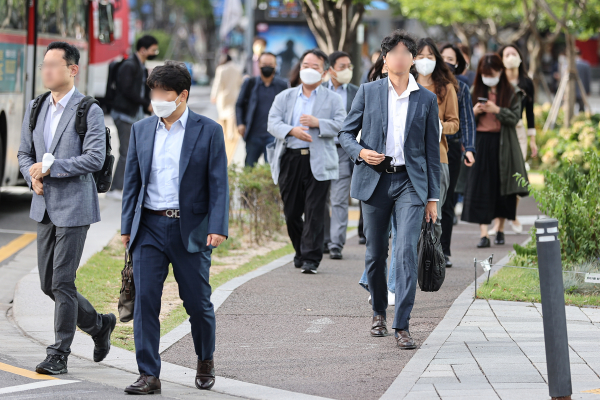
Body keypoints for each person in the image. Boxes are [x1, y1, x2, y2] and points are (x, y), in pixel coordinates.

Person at [120, 61, 229, 394]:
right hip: (149, 227)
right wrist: (127, 227)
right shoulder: (141, 129)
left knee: (197, 303)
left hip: (190, 228)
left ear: (182, 95)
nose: (156, 98)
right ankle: (148, 373)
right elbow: (132, 183)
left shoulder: (208, 130)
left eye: (163, 92)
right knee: (146, 302)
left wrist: (218, 225)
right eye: (153, 91)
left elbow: (219, 182)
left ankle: (205, 359)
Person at [17, 41, 115, 374]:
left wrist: (50, 168)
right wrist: (33, 178)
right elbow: (23, 155)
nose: (46, 70)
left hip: (75, 206)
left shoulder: (89, 109)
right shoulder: (35, 106)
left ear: (72, 70)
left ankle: (58, 353)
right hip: (44, 205)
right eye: (44, 65)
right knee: (49, 284)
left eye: (53, 65)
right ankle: (99, 325)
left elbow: (95, 158)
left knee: (62, 281)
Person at [338, 30, 440, 349]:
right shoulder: (368, 92)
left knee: (406, 251)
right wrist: (360, 152)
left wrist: (433, 198)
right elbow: (344, 133)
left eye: (404, 52)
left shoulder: (426, 99)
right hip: (376, 180)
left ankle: (403, 325)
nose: (398, 57)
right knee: (375, 253)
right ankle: (379, 311)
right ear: (384, 60)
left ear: (412, 59)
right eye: (392, 53)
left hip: (411, 182)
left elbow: (431, 154)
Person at [267, 49, 346, 274]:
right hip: (291, 159)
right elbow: (272, 122)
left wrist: (318, 122)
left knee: (314, 210)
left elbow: (342, 124)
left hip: (319, 160)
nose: (309, 70)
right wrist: (292, 130)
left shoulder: (332, 99)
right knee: (291, 212)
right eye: (305, 65)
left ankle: (311, 258)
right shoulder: (285, 96)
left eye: (314, 67)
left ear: (324, 73)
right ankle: (301, 249)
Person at [461, 53, 529, 248]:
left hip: (504, 144)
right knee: (480, 187)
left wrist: (497, 109)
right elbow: (464, 119)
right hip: (481, 143)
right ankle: (484, 233)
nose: (488, 76)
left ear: (500, 72)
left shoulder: (511, 92)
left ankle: (499, 229)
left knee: (503, 187)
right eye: (485, 73)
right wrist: (474, 111)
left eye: (492, 73)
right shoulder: (474, 90)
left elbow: (516, 118)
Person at [414, 38, 460, 244]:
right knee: (409, 217)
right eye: (420, 56)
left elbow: (454, 124)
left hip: (437, 158)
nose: (424, 60)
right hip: (408, 160)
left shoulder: (446, 88)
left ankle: (431, 264)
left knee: (435, 216)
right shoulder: (404, 85)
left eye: (429, 56)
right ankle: (409, 267)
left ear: (437, 59)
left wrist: (438, 126)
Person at [489, 44, 537, 236]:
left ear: (520, 57)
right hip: (499, 129)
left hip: (518, 131)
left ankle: (513, 214)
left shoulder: (526, 82)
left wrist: (533, 140)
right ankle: (498, 224)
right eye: (506, 54)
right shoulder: (497, 81)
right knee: (500, 176)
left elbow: (530, 113)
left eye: (513, 53)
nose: (510, 57)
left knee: (517, 175)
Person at [439, 43, 477, 267]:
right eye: (441, 56)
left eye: (450, 58)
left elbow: (467, 121)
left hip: (450, 148)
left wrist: (469, 148)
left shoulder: (461, 87)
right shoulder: (421, 83)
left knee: (447, 200)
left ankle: (443, 251)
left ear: (457, 63)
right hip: (421, 149)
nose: (445, 61)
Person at [108, 34, 158, 200]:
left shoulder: (140, 66)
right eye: (153, 50)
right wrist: (146, 103)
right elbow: (127, 90)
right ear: (143, 49)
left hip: (133, 114)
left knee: (132, 151)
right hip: (124, 114)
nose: (155, 52)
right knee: (126, 151)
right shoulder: (130, 65)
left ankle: (124, 187)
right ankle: (115, 188)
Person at [322, 50, 359, 260]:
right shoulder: (318, 91)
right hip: (321, 150)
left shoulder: (357, 92)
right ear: (331, 70)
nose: (347, 71)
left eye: (349, 67)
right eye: (342, 67)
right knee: (320, 199)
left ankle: (336, 243)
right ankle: (324, 239)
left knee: (338, 199)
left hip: (344, 152)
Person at [235, 51, 288, 167]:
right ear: (258, 65)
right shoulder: (250, 83)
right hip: (253, 135)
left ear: (275, 66)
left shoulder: (283, 85)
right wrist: (240, 123)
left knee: (271, 171)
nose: (267, 67)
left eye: (270, 64)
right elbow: (239, 104)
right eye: (264, 63)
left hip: (273, 136)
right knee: (249, 169)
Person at [211, 53, 243, 162]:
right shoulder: (237, 68)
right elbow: (240, 82)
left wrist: (213, 95)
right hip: (234, 94)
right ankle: (230, 134)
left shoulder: (221, 69)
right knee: (231, 114)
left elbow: (217, 83)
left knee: (222, 115)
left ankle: (224, 134)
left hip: (222, 95)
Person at [575, 47, 591, 113]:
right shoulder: (586, 65)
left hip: (571, 91)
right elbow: (588, 79)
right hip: (582, 90)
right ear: (581, 54)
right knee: (582, 109)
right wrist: (588, 90)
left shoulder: (568, 65)